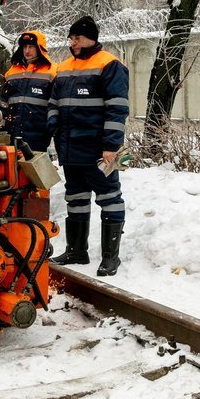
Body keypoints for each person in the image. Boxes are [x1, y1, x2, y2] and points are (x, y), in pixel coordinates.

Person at [48, 16, 129, 276]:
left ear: (91, 38)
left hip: (99, 150)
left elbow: (117, 109)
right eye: (71, 38)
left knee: (110, 198)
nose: (73, 43)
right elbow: (53, 103)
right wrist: (53, 129)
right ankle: (76, 250)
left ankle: (110, 258)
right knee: (76, 198)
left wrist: (111, 146)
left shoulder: (109, 64)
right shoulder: (62, 68)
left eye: (78, 38)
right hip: (70, 150)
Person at [0, 30, 57, 152]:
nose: (27, 51)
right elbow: (3, 104)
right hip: (10, 135)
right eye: (24, 47)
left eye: (31, 47)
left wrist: (51, 130)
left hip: (37, 137)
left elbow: (54, 106)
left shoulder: (52, 72)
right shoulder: (12, 71)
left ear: (40, 48)